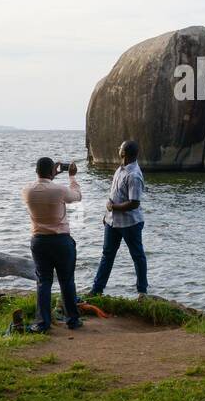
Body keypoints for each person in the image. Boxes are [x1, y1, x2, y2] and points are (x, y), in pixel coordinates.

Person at [22, 157, 83, 332]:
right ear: (52, 171)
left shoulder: (27, 191)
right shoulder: (59, 190)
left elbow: (44, 186)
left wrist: (50, 176)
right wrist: (71, 177)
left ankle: (43, 322)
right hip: (61, 240)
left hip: (39, 241)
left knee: (43, 282)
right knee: (67, 281)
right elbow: (77, 196)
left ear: (36, 171)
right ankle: (73, 320)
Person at [89, 140, 149, 296]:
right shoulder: (120, 169)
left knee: (137, 256)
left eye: (120, 148)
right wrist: (107, 214)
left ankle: (142, 292)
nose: (118, 149)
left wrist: (113, 208)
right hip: (112, 222)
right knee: (107, 255)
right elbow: (114, 196)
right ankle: (97, 290)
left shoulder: (134, 175)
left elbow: (134, 203)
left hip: (130, 223)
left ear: (124, 153)